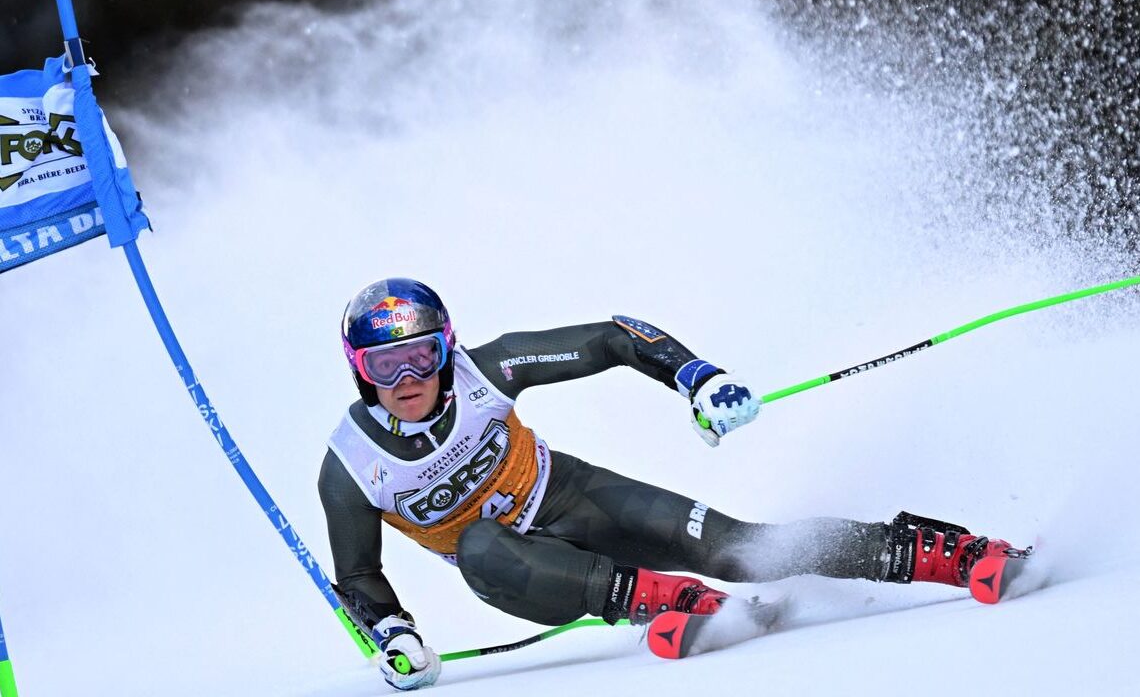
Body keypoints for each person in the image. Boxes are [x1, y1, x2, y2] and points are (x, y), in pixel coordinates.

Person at [319, 278, 1020, 691]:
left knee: (741, 549)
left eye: (420, 357)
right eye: (384, 366)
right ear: (359, 370)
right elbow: (358, 573)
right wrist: (393, 636)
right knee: (478, 544)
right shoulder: (352, 464)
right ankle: (673, 601)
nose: (406, 379)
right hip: (522, 573)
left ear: (446, 349)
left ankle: (948, 553)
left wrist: (698, 377)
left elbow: (613, 335)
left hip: (572, 495)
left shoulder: (488, 370)